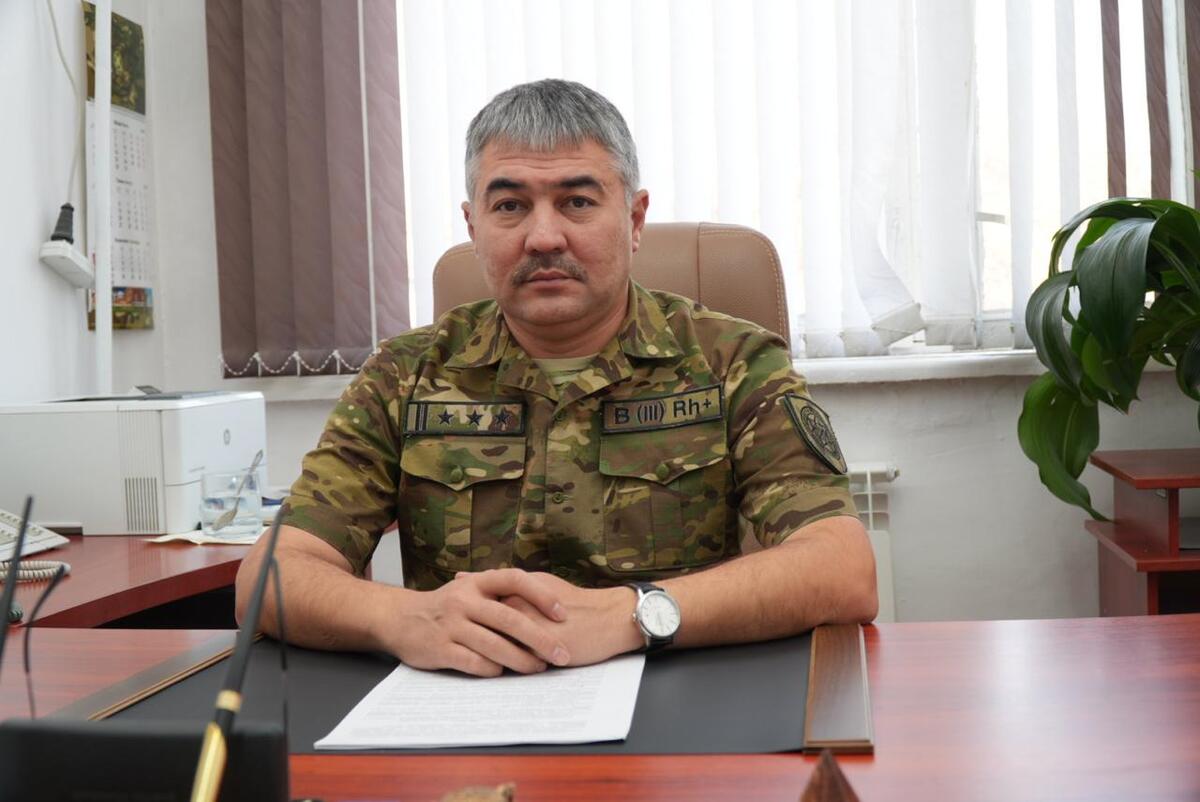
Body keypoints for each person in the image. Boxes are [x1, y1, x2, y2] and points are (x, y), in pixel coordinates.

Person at [236, 79, 877, 677]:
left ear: (634, 220)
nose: (544, 237)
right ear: (474, 227)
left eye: (577, 202)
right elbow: (269, 578)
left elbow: (841, 566)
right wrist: (403, 617)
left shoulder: (731, 362)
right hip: (465, 701)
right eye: (510, 205)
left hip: (673, 691)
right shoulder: (405, 376)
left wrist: (635, 614)